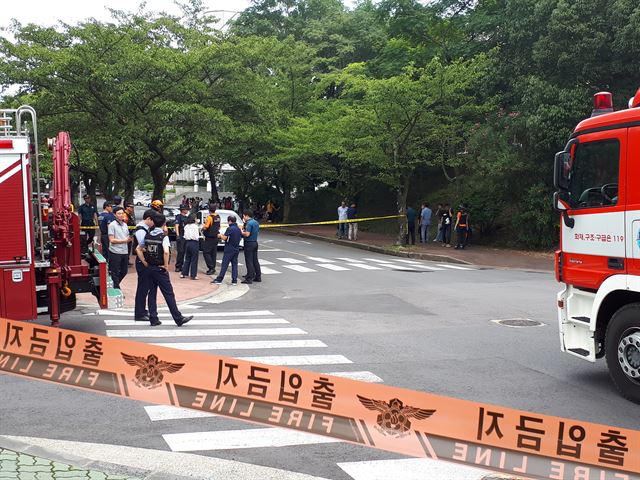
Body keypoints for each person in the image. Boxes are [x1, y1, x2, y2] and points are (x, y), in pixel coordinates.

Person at [135, 212, 192, 327]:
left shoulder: (148, 235)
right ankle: (178, 317)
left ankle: (153, 318)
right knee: (168, 294)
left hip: (149, 267)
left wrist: (145, 262)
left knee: (152, 292)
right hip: (160, 269)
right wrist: (166, 266)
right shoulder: (163, 237)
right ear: (164, 224)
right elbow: (166, 252)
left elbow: (138, 249)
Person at [133, 209, 157, 322]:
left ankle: (142, 310)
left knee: (145, 287)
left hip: (144, 261)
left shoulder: (145, 228)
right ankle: (139, 313)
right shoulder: (140, 230)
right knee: (142, 288)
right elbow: (142, 246)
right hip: (142, 261)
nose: (154, 224)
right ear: (148, 219)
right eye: (153, 221)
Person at [211, 215, 242, 285]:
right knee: (234, 265)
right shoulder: (238, 229)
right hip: (236, 249)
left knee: (224, 265)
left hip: (229, 249)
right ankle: (234, 280)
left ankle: (219, 279)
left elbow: (225, 238)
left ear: (230, 221)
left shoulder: (230, 229)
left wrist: (220, 235)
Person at [108, 206, 132, 289]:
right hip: (115, 252)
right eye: (119, 213)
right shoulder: (112, 225)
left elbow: (127, 236)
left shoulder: (125, 225)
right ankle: (116, 288)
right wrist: (124, 241)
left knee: (124, 271)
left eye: (122, 213)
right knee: (114, 272)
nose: (121, 215)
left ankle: (115, 284)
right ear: (114, 215)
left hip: (124, 251)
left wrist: (129, 239)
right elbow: (112, 240)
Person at [241, 209, 261, 284]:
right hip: (255, 242)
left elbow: (247, 234)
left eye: (243, 216)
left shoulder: (249, 223)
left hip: (249, 243)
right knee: (255, 260)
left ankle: (249, 278)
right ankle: (258, 276)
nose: (243, 218)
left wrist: (241, 232)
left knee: (249, 260)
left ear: (247, 216)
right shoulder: (256, 222)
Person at [202, 203, 221, 275]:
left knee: (206, 252)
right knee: (213, 253)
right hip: (215, 236)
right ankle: (213, 267)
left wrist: (202, 228)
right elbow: (219, 227)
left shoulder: (209, 217)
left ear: (209, 210)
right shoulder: (218, 217)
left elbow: (206, 226)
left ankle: (211, 267)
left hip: (209, 237)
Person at [180, 214, 200, 280]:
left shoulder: (186, 226)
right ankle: (193, 275)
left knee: (187, 259)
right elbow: (196, 236)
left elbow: (185, 236)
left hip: (187, 242)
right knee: (194, 259)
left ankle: (183, 273)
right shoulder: (195, 226)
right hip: (194, 243)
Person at [174, 205, 189, 272]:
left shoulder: (187, 217)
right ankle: (178, 266)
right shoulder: (178, 217)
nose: (187, 210)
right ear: (183, 210)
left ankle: (182, 265)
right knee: (180, 251)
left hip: (186, 235)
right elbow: (176, 226)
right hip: (181, 235)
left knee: (184, 252)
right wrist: (177, 235)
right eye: (186, 209)